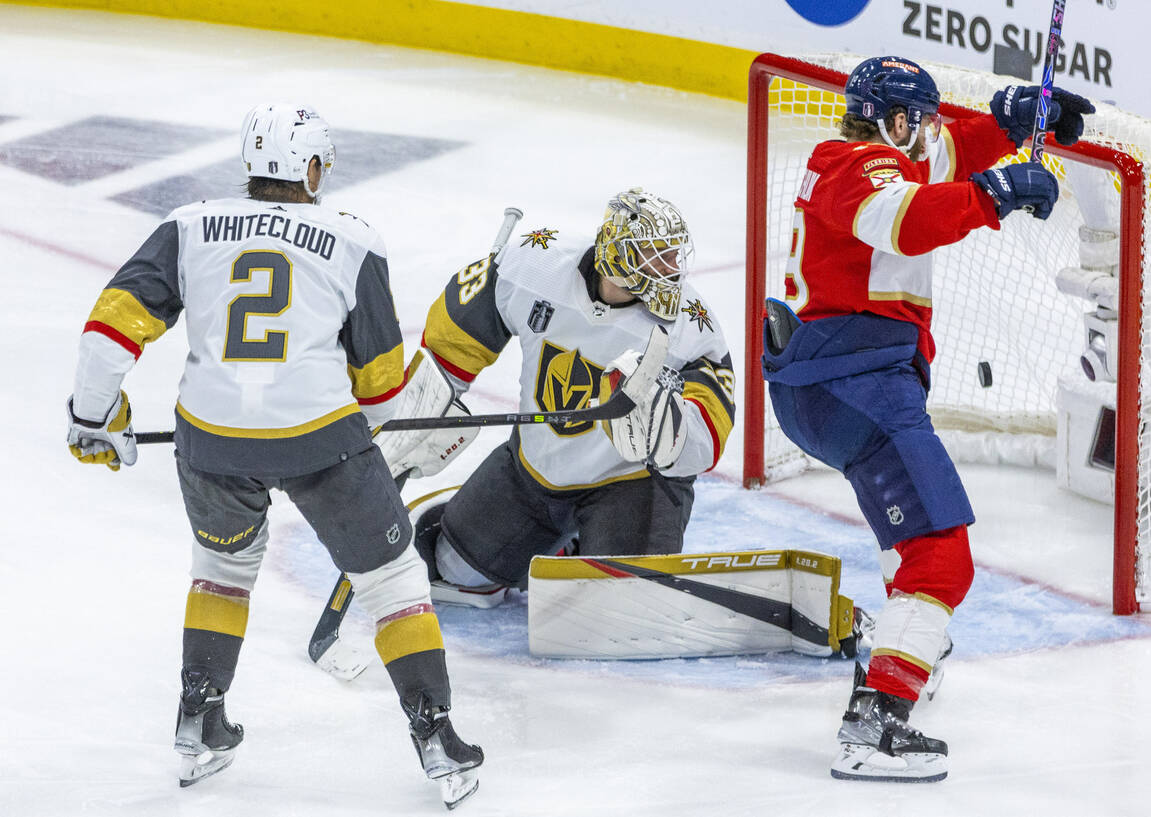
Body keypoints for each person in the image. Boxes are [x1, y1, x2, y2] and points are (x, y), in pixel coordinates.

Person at [65, 103, 483, 808]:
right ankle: (436, 736)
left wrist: (93, 415)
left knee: (222, 569)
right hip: (322, 441)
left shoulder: (188, 225)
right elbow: (381, 393)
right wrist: (404, 426)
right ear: (312, 169)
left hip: (209, 441)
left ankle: (199, 719)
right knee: (390, 579)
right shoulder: (352, 239)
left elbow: (109, 331)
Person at [761, 57, 1093, 782]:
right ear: (896, 120)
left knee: (912, 536)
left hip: (835, 377)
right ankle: (877, 721)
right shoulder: (856, 164)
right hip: (851, 379)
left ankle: (907, 643)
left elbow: (952, 154)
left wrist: (1012, 121)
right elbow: (908, 222)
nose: (934, 133)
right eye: (925, 120)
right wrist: (994, 193)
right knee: (942, 555)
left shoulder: (892, 147)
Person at [376, 188, 735, 604]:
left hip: (629, 484)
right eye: (656, 255)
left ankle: (596, 543)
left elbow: (712, 422)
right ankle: (558, 548)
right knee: (458, 572)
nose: (672, 269)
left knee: (622, 605)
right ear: (618, 255)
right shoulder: (536, 264)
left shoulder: (690, 324)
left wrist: (670, 432)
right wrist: (427, 405)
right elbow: (460, 330)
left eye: (674, 255)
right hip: (534, 470)